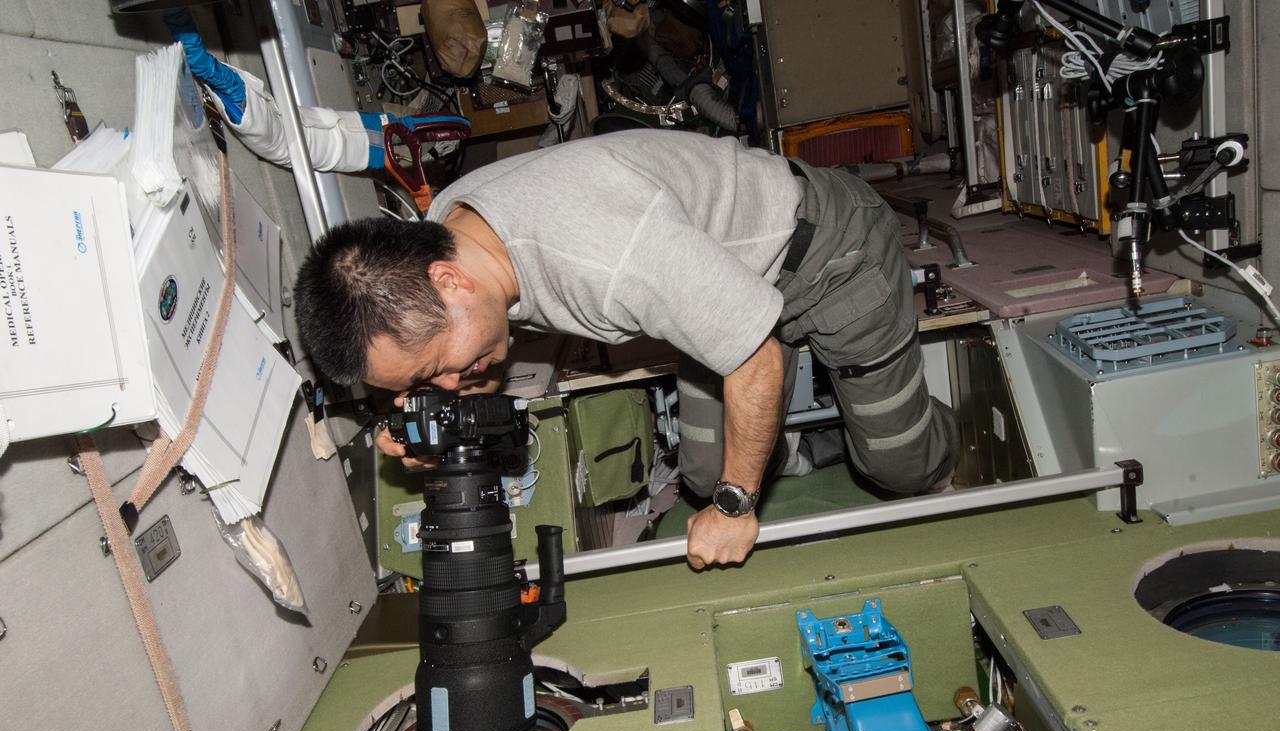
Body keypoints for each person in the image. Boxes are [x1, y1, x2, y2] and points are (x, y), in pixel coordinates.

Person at [294, 129, 958, 569]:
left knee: (895, 469)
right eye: (420, 383)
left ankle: (924, 432)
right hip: (712, 288)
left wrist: (737, 506)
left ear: (448, 282)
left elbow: (756, 356)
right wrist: (420, 415)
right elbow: (445, 354)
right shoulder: (448, 231)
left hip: (828, 254)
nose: (445, 384)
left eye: (436, 369)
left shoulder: (609, 257)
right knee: (703, 474)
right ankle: (803, 440)